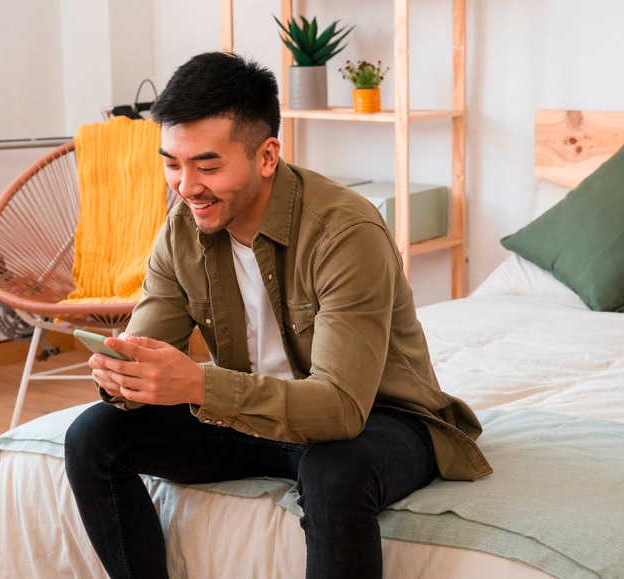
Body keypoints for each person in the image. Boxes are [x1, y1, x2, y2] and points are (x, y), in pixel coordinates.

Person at [64, 51, 491, 579]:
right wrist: (123, 376)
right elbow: (146, 352)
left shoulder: (346, 233)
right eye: (172, 163)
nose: (186, 186)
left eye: (207, 166)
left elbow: (340, 409)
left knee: (334, 472)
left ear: (267, 156)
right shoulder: (181, 231)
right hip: (256, 417)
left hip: (380, 418)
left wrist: (197, 384)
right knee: (92, 437)